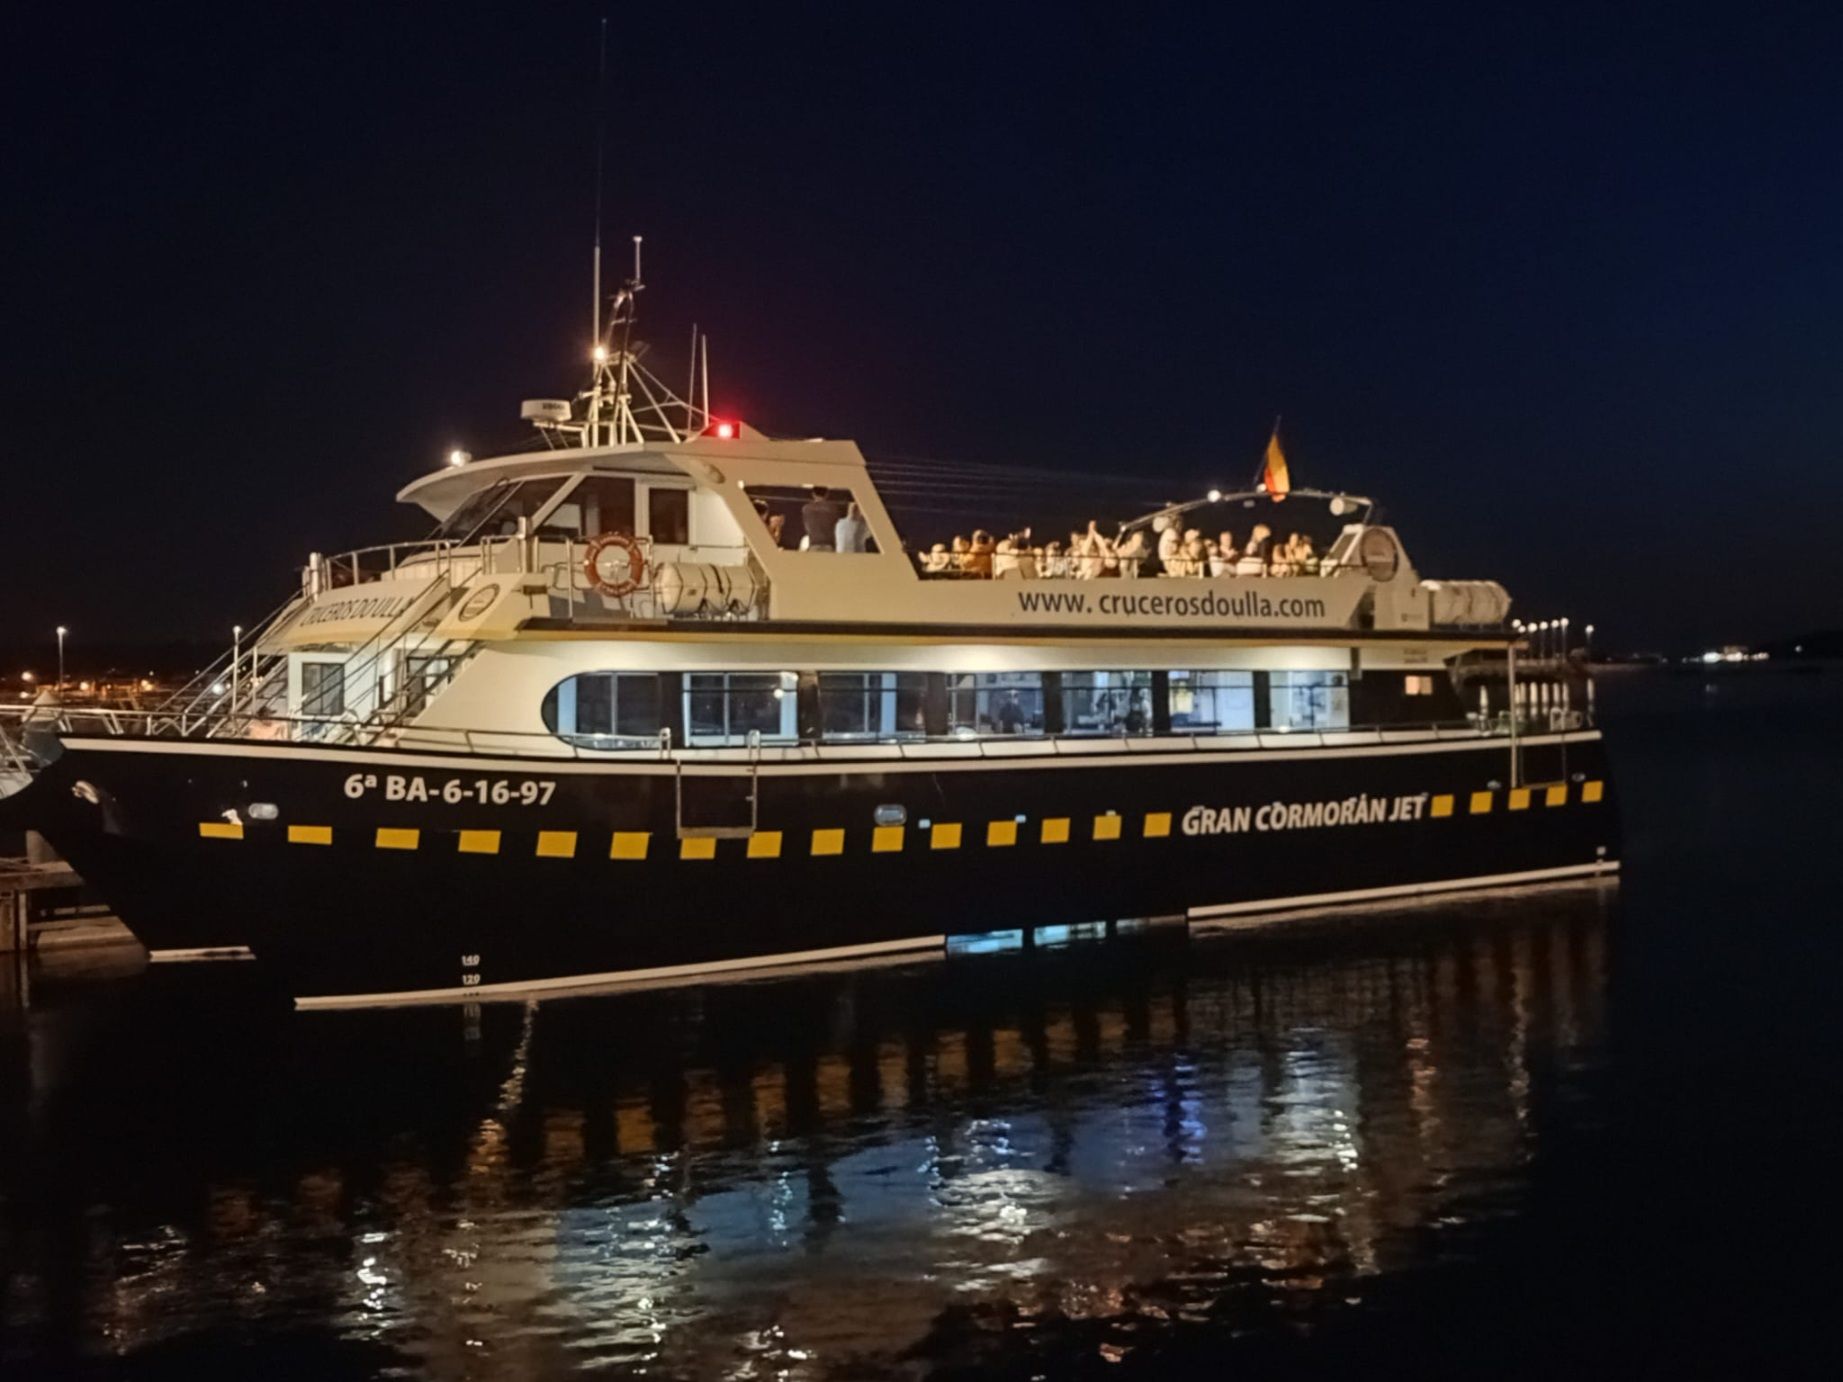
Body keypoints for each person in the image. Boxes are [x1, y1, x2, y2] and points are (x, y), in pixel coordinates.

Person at [801, 486, 845, 550]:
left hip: (814, 543)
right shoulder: (833, 508)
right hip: (829, 544)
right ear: (827, 494)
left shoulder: (806, 509)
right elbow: (836, 524)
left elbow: (806, 526)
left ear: (813, 494)